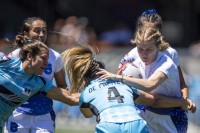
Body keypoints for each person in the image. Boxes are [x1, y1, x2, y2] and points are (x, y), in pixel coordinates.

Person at [61, 44, 189, 133]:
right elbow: (155, 101)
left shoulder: (86, 94)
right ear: (103, 70)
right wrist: (181, 102)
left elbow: (87, 114)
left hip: (109, 127)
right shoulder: (124, 84)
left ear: (84, 78)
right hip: (136, 124)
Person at [97, 27, 196, 133]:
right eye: (140, 49)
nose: (144, 53)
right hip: (147, 112)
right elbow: (120, 74)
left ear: (158, 47)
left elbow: (150, 85)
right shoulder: (134, 57)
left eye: (149, 50)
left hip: (171, 116)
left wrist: (119, 78)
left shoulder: (167, 63)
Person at [117, 9, 196, 113]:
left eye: (153, 31)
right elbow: (118, 80)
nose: (149, 33)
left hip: (171, 112)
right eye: (145, 30)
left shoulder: (171, 54)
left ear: (159, 33)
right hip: (144, 111)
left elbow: (182, 84)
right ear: (139, 31)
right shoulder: (132, 55)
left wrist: (185, 101)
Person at [0, 40, 79, 133]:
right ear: (29, 56)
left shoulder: (39, 83)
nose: (47, 63)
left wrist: (95, 92)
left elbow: (71, 99)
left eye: (48, 59)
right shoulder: (5, 62)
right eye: (43, 58)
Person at [5, 17, 67, 133]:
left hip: (44, 116)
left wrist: (72, 95)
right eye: (37, 31)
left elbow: (62, 85)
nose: (41, 34)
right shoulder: (15, 55)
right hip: (17, 113)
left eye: (44, 31)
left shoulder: (55, 57)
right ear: (26, 34)